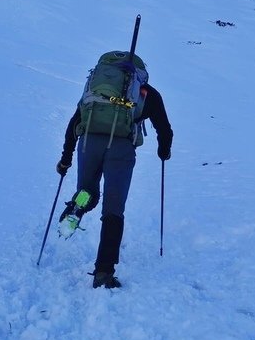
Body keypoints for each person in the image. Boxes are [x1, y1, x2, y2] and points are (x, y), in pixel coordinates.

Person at [56, 67, 173, 289]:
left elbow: (74, 123)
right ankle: (103, 272)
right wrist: (164, 151)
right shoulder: (145, 92)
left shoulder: (96, 90)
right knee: (113, 209)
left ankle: (78, 206)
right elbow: (165, 129)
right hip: (121, 148)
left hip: (88, 144)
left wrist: (65, 160)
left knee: (88, 192)